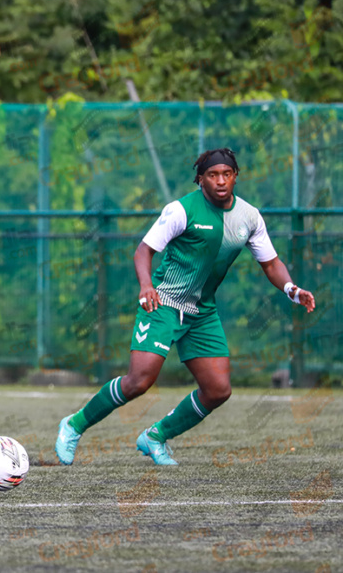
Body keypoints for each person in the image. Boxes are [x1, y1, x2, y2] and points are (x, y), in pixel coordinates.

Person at [55, 148, 316, 466]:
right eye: (213, 175)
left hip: (202, 313)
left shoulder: (249, 217)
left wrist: (292, 289)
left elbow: (271, 263)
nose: (220, 181)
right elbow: (143, 252)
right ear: (200, 179)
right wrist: (146, 286)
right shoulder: (180, 210)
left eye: (227, 174)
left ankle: (155, 437)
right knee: (139, 381)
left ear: (235, 177)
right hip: (163, 303)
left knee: (218, 389)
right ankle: (74, 425)